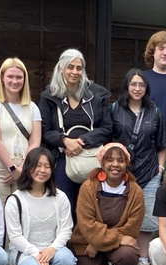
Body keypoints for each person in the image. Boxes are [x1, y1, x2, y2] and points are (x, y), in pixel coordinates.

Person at [39, 49, 113, 217]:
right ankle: (67, 243)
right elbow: (44, 130)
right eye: (70, 67)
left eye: (79, 68)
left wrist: (81, 141)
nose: (74, 72)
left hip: (91, 157)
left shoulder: (96, 94)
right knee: (64, 205)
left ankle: (88, 243)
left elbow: (107, 128)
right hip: (62, 159)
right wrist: (65, 141)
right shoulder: (49, 96)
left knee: (91, 206)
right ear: (61, 68)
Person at [110, 69, 166, 265]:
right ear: (126, 86)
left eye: (141, 85)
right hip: (119, 173)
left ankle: (143, 261)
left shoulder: (155, 112)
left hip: (149, 172)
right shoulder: (115, 110)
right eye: (133, 84)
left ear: (146, 88)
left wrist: (160, 169)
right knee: (116, 216)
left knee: (147, 220)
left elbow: (162, 145)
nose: (137, 88)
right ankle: (115, 258)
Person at [71, 143, 144, 265]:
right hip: (87, 243)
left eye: (121, 160)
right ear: (102, 162)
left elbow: (132, 227)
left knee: (128, 254)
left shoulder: (135, 191)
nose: (115, 165)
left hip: (107, 245)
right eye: (110, 160)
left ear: (127, 164)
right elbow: (87, 224)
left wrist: (99, 244)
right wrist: (108, 240)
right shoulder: (88, 187)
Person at [5, 148, 78, 265]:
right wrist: (35, 253)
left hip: (51, 248)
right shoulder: (15, 200)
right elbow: (15, 236)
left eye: (47, 166)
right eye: (37, 165)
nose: (42, 170)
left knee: (67, 260)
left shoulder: (60, 197)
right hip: (24, 251)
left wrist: (52, 248)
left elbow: (66, 229)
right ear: (28, 167)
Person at [0, 57, 42, 205]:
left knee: (21, 211)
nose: (15, 81)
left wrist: (22, 169)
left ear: (24, 79)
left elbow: (35, 141)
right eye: (10, 76)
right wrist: (12, 168)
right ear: (2, 78)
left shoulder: (32, 107)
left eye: (19, 77)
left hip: (25, 167)